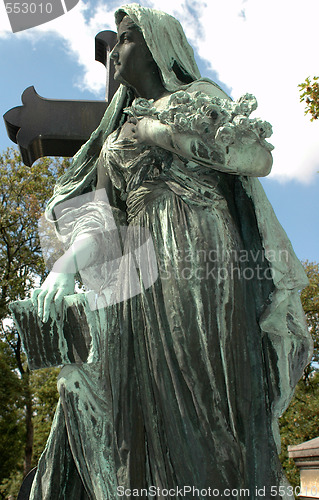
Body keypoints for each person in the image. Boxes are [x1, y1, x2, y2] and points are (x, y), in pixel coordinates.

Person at [30, 4, 312, 499]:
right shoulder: (113, 137)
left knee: (204, 389)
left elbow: (256, 157)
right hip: (134, 264)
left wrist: (156, 130)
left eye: (125, 38)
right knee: (141, 394)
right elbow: (104, 219)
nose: (114, 51)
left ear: (159, 45)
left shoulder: (198, 97)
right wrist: (67, 264)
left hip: (198, 246)